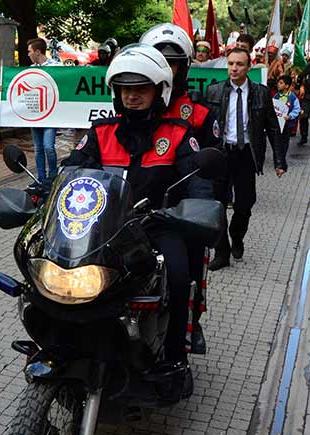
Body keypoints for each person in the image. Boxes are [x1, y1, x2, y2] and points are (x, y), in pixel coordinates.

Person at [63, 43, 213, 395]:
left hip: (157, 226)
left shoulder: (177, 133)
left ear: (159, 91)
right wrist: (44, 191)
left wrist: (200, 205)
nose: (132, 96)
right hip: (104, 228)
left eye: (141, 88)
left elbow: (197, 180)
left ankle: (175, 357)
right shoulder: (101, 132)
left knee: (179, 276)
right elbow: (72, 168)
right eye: (125, 89)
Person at [141, 22, 222, 355]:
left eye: (171, 63)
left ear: (184, 67)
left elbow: (209, 170)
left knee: (185, 269)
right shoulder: (132, 106)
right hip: (132, 210)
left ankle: (188, 325)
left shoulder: (199, 114)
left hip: (180, 212)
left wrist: (201, 207)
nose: (163, 69)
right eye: (156, 60)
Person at [205, 47, 287, 270]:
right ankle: (221, 252)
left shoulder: (261, 93)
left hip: (246, 154)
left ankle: (237, 235)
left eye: (239, 64)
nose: (234, 68)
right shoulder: (213, 91)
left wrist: (279, 161)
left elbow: (273, 127)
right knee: (217, 205)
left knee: (245, 203)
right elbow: (205, 126)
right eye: (231, 64)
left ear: (249, 67)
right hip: (222, 153)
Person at [25, 38, 60, 185]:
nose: (28, 54)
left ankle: (52, 177)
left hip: (50, 115)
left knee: (48, 147)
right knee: (38, 148)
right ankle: (41, 178)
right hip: (36, 114)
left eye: (30, 51)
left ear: (38, 52)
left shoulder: (56, 67)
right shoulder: (31, 69)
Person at [273, 74, 300, 165]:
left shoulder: (292, 97)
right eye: (278, 83)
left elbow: (297, 109)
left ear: (287, 86)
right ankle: (277, 158)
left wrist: (290, 116)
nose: (278, 84)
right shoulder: (276, 96)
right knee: (277, 141)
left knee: (284, 141)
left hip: (287, 125)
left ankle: (282, 158)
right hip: (277, 124)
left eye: (281, 83)